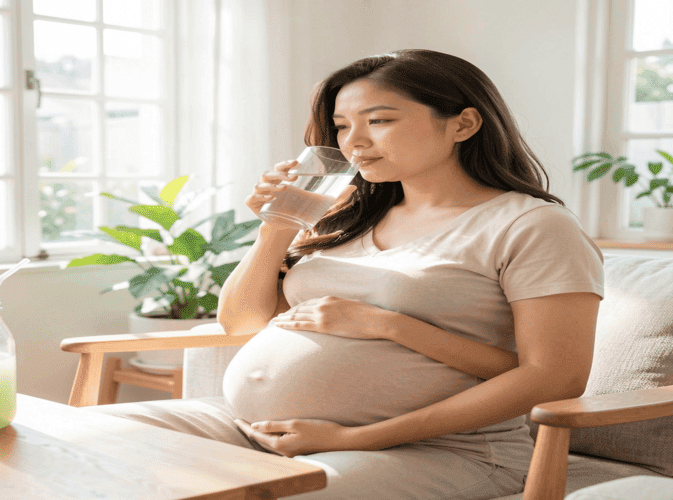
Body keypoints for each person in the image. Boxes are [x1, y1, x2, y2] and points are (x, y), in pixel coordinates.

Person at [90, 49, 604, 499]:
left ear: (463, 124)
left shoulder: (532, 225)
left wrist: (377, 359)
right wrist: (278, 226)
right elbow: (241, 323)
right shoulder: (347, 217)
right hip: (252, 427)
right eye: (341, 126)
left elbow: (555, 376)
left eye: (378, 120)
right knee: (86, 441)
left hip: (439, 449)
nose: (354, 142)